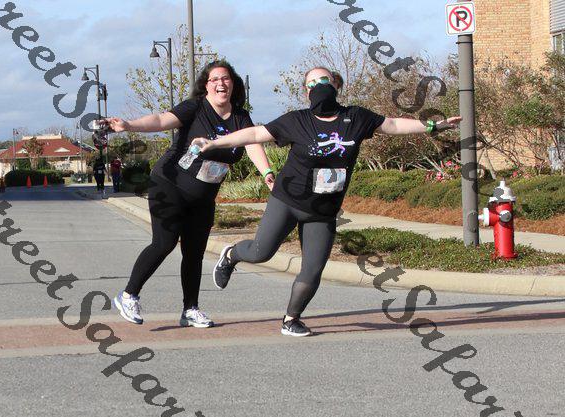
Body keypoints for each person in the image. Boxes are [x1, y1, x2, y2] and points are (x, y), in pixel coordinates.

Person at [193, 66, 462, 337]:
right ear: (306, 92)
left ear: (336, 84)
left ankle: (291, 319)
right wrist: (215, 143)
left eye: (324, 79)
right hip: (287, 201)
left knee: (312, 270)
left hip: (322, 211)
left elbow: (392, 125)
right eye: (312, 83)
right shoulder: (297, 121)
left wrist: (432, 126)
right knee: (260, 253)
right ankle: (231, 255)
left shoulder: (356, 117)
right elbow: (254, 134)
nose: (319, 85)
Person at [104, 60, 274, 328]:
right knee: (165, 242)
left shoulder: (241, 117)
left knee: (194, 253)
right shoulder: (195, 107)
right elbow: (161, 120)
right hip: (168, 184)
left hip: (203, 196)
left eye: (226, 78)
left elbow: (252, 142)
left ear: (233, 84)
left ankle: (190, 309)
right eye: (214, 79)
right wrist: (129, 125)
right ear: (206, 85)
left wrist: (267, 173)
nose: (221, 83)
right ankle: (128, 296)